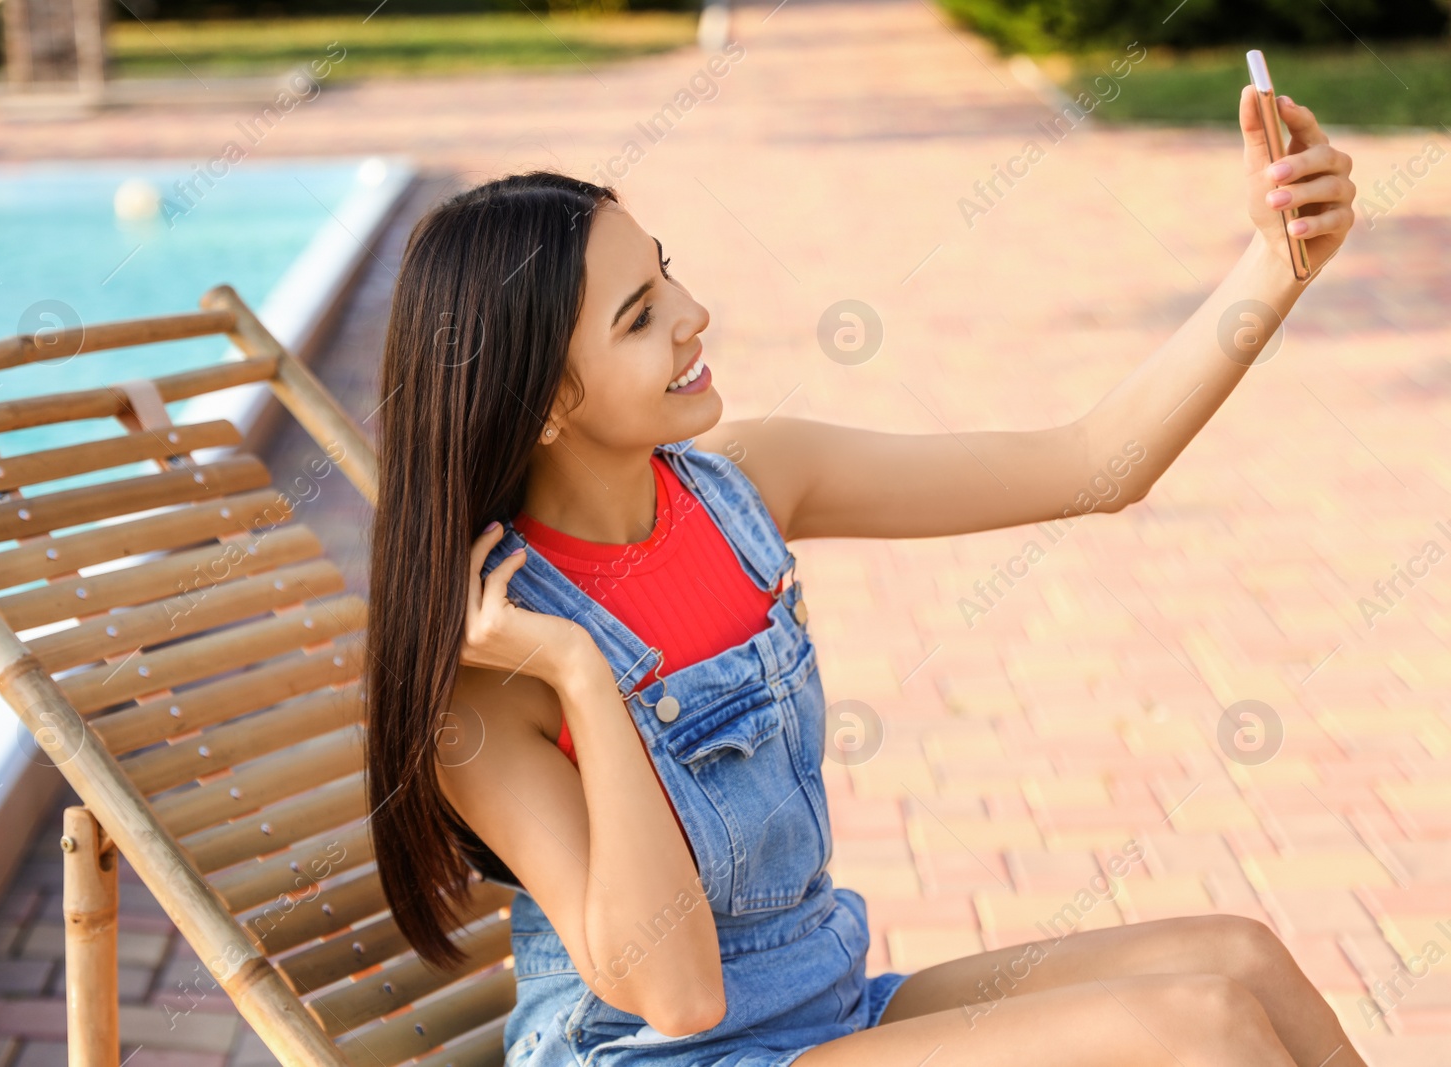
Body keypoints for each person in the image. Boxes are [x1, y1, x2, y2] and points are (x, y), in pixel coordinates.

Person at [361, 84, 1363, 1067]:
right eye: (638, 316)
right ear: (542, 403)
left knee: (1240, 961)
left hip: (827, 1004)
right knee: (1200, 1033)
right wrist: (582, 673)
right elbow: (677, 994)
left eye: (665, 275)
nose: (694, 314)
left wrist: (1275, 266)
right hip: (667, 1052)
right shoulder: (489, 674)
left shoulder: (746, 486)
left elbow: (1094, 462)